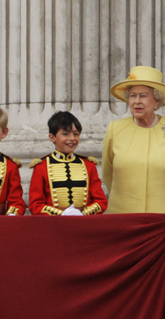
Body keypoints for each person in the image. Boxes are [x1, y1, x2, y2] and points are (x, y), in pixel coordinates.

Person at [102, 66, 165, 213]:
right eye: (132, 96)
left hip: (161, 218)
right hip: (123, 216)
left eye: (143, 96)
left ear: (157, 101)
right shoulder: (115, 129)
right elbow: (107, 172)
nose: (136, 101)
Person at [28, 111, 107, 216]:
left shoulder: (89, 165)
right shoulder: (41, 167)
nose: (72, 138)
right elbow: (35, 205)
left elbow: (101, 202)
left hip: (84, 224)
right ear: (52, 137)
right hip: (53, 226)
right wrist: (62, 214)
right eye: (65, 134)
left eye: (76, 134)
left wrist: (83, 214)